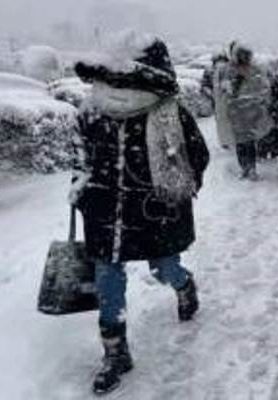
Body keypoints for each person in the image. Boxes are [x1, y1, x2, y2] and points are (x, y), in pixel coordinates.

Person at [70, 33, 210, 395]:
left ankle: (184, 285)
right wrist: (82, 188)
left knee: (165, 268)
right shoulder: (91, 111)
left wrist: (172, 184)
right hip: (105, 213)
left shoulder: (169, 113)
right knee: (108, 280)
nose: (118, 84)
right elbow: (80, 159)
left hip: (155, 212)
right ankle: (115, 353)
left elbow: (197, 157)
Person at [218, 42, 272, 180]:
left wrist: (259, 104)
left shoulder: (255, 70)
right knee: (240, 143)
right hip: (236, 112)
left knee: (249, 142)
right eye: (241, 55)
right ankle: (244, 168)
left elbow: (263, 88)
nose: (243, 58)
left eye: (245, 55)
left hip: (251, 112)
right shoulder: (227, 70)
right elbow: (223, 90)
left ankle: (251, 168)